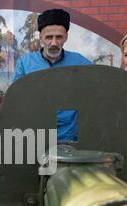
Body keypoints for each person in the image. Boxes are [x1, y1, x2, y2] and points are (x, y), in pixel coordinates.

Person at [13, 8, 92, 141]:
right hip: (35, 138)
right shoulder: (24, 64)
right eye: (49, 37)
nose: (54, 43)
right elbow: (18, 100)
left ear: (66, 37)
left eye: (59, 37)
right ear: (40, 37)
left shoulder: (81, 62)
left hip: (70, 139)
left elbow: (98, 92)